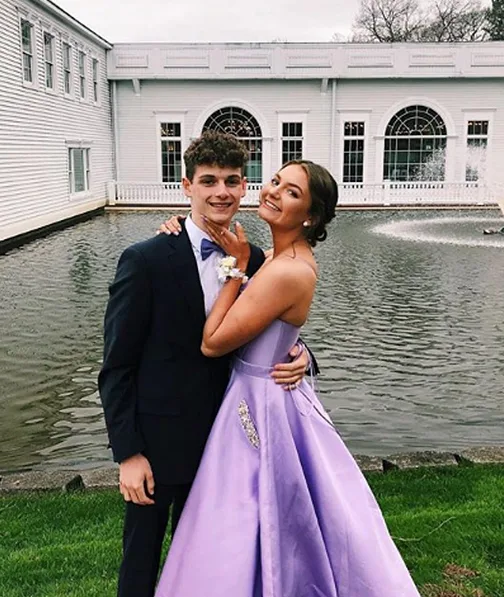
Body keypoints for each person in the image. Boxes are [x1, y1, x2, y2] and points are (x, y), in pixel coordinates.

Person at [154, 160, 421, 596]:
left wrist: (237, 269)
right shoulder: (278, 256)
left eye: (292, 192)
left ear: (310, 216)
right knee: (262, 510)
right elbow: (278, 331)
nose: (274, 192)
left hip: (260, 403)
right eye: (276, 181)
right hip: (260, 390)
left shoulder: (285, 269)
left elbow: (213, 342)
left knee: (250, 509)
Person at [98, 131, 310, 597]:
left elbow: (281, 328)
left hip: (234, 441)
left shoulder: (255, 260)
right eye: (208, 180)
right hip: (160, 444)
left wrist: (304, 357)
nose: (221, 192)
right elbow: (116, 366)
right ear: (186, 186)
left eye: (232, 181)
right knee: (142, 557)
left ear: (244, 186)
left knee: (221, 560)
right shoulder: (145, 259)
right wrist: (129, 453)